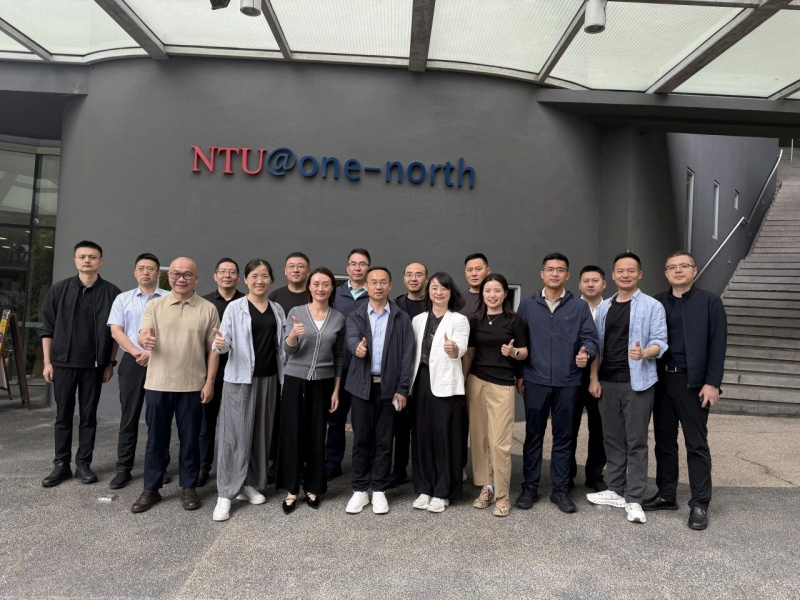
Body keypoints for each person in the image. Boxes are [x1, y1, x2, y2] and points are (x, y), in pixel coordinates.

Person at [645, 251, 727, 531]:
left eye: (684, 266)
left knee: (696, 443)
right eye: (672, 267)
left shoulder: (710, 302)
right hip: (661, 381)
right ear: (666, 273)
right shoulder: (656, 302)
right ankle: (666, 494)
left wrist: (712, 383)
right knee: (664, 441)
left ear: (694, 270)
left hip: (694, 383)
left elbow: (718, 344)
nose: (678, 270)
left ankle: (700, 503)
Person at [131, 257, 220, 513]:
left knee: (190, 439)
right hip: (158, 383)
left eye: (187, 274)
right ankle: (151, 489)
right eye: (176, 274)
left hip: (192, 385)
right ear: (168, 277)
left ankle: (188, 486)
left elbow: (213, 349)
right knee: (155, 439)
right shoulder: (155, 305)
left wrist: (210, 382)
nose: (181, 279)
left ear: (196, 278)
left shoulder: (208, 309)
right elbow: (143, 334)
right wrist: (144, 340)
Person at [514, 253, 599, 514]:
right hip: (535, 380)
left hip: (568, 381)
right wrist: (520, 375)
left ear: (567, 275)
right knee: (533, 436)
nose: (554, 274)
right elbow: (519, 340)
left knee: (564, 438)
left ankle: (560, 489)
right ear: (542, 274)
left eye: (560, 270)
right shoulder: (528, 305)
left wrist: (586, 353)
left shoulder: (579, 307)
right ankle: (530, 487)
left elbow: (590, 338)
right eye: (550, 269)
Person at [587, 252, 667, 525]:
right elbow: (597, 346)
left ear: (639, 274)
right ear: (613, 275)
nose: (625, 275)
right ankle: (616, 489)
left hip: (638, 382)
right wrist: (594, 378)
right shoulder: (605, 308)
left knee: (636, 441)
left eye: (631, 270)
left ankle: (634, 498)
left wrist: (645, 353)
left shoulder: (652, 306)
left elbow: (661, 342)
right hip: (607, 382)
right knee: (612, 439)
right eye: (620, 270)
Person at [211, 259, 287, 522]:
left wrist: (284, 378)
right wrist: (220, 343)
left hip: (269, 379)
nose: (259, 281)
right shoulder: (235, 307)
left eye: (264, 276)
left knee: (260, 435)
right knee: (234, 437)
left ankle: (247, 484)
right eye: (254, 276)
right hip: (240, 380)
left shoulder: (276, 309)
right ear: (245, 280)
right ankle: (225, 494)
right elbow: (223, 343)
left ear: (271, 280)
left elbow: (281, 347)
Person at [40, 241, 121, 487]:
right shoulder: (59, 290)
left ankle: (83, 464)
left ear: (100, 261)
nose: (87, 260)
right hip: (63, 363)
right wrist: (47, 362)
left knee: (88, 416)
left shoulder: (112, 293)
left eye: (92, 257)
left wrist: (110, 363)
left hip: (94, 366)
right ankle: (61, 465)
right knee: (63, 415)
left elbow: (116, 332)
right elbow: (47, 329)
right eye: (82, 256)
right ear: (75, 260)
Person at [344, 267, 414, 515]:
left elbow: (407, 355)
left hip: (389, 389)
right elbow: (351, 338)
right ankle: (360, 489)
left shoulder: (401, 317)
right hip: (362, 387)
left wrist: (402, 389)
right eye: (373, 282)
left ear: (390, 285)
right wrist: (357, 348)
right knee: (362, 439)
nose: (378, 286)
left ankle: (379, 489)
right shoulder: (356, 315)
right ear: (366, 286)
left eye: (383, 282)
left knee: (385, 440)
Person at [276, 267, 344, 513]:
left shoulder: (338, 318)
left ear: (332, 288)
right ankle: (292, 489)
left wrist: (336, 390)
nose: (320, 288)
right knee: (293, 434)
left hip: (323, 383)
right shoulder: (296, 312)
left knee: (317, 434)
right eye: (316, 284)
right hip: (295, 379)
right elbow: (287, 351)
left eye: (325, 284)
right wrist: (293, 335)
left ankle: (313, 486)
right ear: (309, 287)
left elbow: (338, 356)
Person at [462, 274, 528, 517]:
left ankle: (502, 494)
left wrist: (513, 352)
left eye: (497, 290)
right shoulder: (475, 320)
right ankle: (486, 487)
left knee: (500, 442)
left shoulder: (514, 320)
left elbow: (524, 352)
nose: (492, 295)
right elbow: (469, 353)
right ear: (482, 294)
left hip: (502, 384)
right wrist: (463, 381)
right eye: (488, 290)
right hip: (476, 382)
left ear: (505, 293)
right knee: (480, 439)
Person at [107, 253, 168, 489]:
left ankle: (158, 466)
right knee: (129, 417)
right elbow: (116, 331)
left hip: (161, 361)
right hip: (132, 362)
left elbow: (173, 332)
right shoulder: (123, 299)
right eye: (141, 268)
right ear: (135, 273)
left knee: (158, 417)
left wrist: (151, 354)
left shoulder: (169, 298)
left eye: (150, 268)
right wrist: (136, 352)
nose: (145, 272)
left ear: (158, 273)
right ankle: (123, 468)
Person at [410, 272, 470, 513]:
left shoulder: (459, 320)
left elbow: (461, 349)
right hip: (421, 382)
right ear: (428, 291)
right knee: (422, 436)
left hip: (446, 385)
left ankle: (443, 491)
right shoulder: (417, 320)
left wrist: (452, 348)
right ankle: (425, 488)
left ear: (450, 292)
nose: (438, 292)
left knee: (445, 438)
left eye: (443, 288)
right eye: (434, 287)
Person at [325, 248, 371, 480]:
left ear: (368, 268)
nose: (357, 268)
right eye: (353, 264)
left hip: (365, 368)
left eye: (362, 264)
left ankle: (364, 465)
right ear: (347, 268)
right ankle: (332, 463)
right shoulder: (335, 294)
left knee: (364, 421)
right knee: (336, 418)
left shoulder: (374, 293)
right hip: (340, 368)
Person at [199, 258, 244, 487]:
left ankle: (235, 468)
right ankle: (203, 466)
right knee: (206, 422)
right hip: (208, 371)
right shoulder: (204, 303)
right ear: (215, 276)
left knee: (236, 424)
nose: (227, 275)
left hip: (239, 370)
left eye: (232, 272)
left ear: (238, 277)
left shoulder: (246, 302)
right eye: (223, 272)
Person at [267, 252, 311, 484]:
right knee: (279, 417)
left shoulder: (313, 294)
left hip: (307, 365)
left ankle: (301, 463)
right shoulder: (275, 297)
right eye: (291, 266)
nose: (296, 270)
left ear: (308, 271)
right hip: (280, 365)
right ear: (285, 271)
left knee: (302, 417)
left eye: (301, 266)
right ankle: (276, 463)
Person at [569, 265, 608, 493]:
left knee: (599, 429)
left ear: (604, 283)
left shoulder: (611, 308)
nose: (590, 284)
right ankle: (567, 474)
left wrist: (595, 376)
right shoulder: (572, 307)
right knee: (569, 427)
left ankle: (595, 475)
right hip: (573, 375)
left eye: (595, 280)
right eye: (586, 281)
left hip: (604, 377)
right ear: (579, 284)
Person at [390, 261, 428, 488]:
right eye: (409, 275)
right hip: (401, 373)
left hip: (425, 374)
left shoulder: (433, 304)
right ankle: (399, 470)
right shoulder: (396, 306)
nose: (414, 278)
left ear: (426, 278)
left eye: (418, 274)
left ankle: (422, 473)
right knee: (400, 426)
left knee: (423, 427)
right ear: (404, 278)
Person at [461, 253, 490, 319]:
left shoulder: (494, 298)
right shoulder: (458, 299)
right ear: (465, 273)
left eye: (478, 269)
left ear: (488, 271)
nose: (474, 274)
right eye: (469, 270)